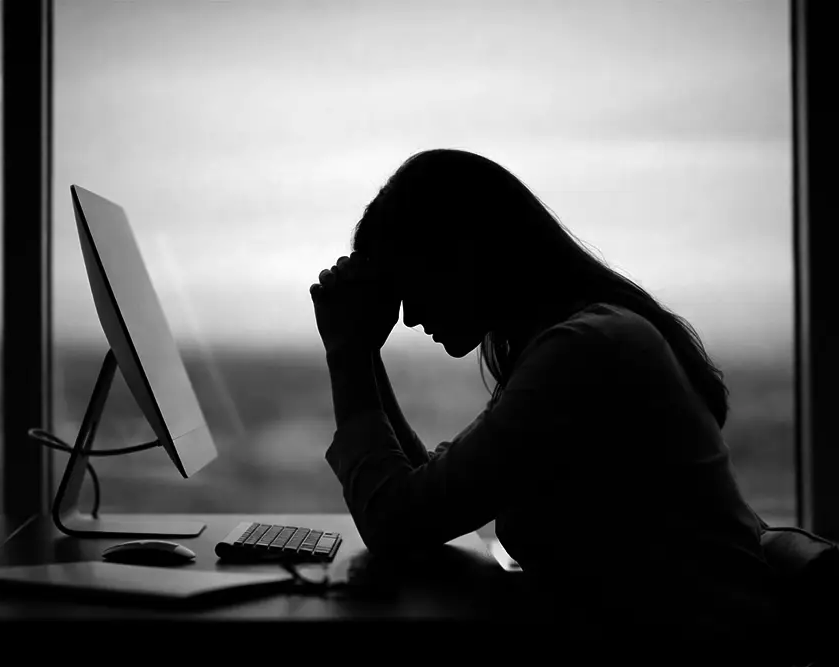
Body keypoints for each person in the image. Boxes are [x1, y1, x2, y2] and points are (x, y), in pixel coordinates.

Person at [309, 148, 780, 645]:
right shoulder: (576, 343)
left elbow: (396, 522)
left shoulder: (579, 355)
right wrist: (362, 352)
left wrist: (347, 355)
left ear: (461, 256)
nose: (408, 316)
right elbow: (427, 496)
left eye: (411, 287)